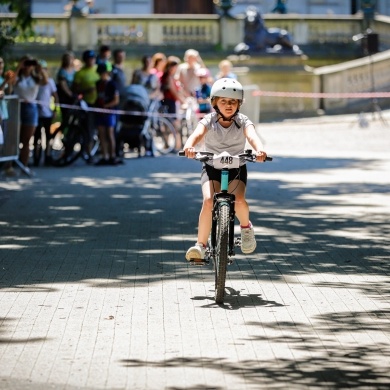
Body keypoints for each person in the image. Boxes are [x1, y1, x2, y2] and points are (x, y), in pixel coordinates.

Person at [182, 78, 268, 261]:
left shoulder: (243, 121)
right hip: (212, 166)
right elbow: (196, 134)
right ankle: (200, 246)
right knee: (207, 201)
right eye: (223, 101)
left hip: (236, 167)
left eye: (233, 101)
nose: (228, 105)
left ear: (239, 104)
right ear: (214, 103)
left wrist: (259, 150)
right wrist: (189, 146)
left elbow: (252, 136)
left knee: (238, 201)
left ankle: (246, 229)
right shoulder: (208, 120)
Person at [8, 55, 49, 169]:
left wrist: (39, 68)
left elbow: (46, 81)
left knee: (26, 140)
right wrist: (19, 66)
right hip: (16, 107)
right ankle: (9, 165)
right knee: (14, 138)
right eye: (26, 64)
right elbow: (11, 81)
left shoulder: (35, 78)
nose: (28, 66)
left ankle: (24, 165)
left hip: (31, 107)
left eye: (30, 64)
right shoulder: (18, 77)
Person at [33, 60, 59, 166]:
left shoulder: (50, 82)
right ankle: (36, 156)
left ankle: (47, 155)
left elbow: (55, 96)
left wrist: (55, 110)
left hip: (47, 112)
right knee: (37, 135)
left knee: (47, 135)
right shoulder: (34, 81)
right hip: (36, 113)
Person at [94, 63, 120, 165]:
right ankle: (104, 156)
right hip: (100, 112)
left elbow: (116, 100)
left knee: (110, 133)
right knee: (101, 134)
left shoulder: (112, 84)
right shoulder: (98, 84)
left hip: (109, 112)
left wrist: (106, 106)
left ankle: (112, 156)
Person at [56, 51, 76, 130]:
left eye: (70, 59)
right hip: (65, 98)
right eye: (67, 59)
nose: (69, 61)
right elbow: (63, 85)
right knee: (66, 117)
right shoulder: (62, 72)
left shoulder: (74, 71)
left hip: (73, 97)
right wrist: (70, 94)